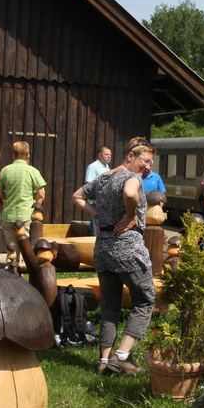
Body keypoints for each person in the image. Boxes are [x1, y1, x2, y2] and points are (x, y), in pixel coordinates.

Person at [72, 137, 157, 375]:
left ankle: (103, 361)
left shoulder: (103, 178)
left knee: (110, 306)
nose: (148, 167)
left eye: (151, 163)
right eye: (146, 161)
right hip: (128, 250)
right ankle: (122, 356)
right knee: (145, 300)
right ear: (131, 156)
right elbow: (131, 194)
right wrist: (131, 215)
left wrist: (98, 215)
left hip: (104, 250)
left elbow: (77, 196)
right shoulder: (133, 177)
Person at [0, 140, 47, 258]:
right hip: (26, 214)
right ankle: (24, 269)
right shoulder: (32, 171)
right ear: (27, 154)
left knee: (11, 247)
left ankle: (11, 269)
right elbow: (41, 194)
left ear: (14, 154)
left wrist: (7, 197)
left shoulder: (5, 170)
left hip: (8, 214)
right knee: (26, 248)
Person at [85, 146, 112, 235]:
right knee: (95, 227)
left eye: (110, 155)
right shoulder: (93, 167)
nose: (109, 156)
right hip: (95, 203)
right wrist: (95, 199)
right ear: (100, 155)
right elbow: (88, 185)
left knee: (103, 227)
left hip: (105, 202)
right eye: (106, 154)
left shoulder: (107, 168)